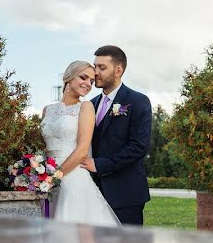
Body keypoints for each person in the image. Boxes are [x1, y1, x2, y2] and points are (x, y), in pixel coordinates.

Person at [40, 61, 120, 227]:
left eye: (91, 81)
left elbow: (83, 149)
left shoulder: (86, 107)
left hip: (72, 178)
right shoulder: (47, 110)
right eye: (83, 77)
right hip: (46, 177)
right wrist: (38, 173)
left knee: (79, 235)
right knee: (50, 233)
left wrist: (55, 178)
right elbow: (45, 147)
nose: (88, 84)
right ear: (68, 77)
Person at [81, 45, 152, 226]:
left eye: (102, 68)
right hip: (92, 193)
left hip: (126, 195)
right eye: (95, 66)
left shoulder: (138, 101)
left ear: (118, 70)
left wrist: (100, 164)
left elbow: (138, 147)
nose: (95, 72)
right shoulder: (90, 104)